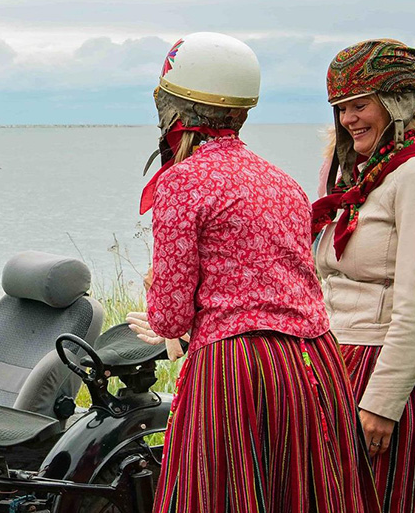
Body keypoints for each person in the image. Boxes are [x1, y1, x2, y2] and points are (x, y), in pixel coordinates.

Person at [126, 32, 380, 512]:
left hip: (236, 368)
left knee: (224, 495)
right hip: (314, 366)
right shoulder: (280, 179)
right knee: (299, 494)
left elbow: (172, 317)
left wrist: (161, 308)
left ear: (176, 109)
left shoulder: (182, 181)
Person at [312, 39, 415, 513]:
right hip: (336, 363)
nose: (349, 118)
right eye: (341, 108)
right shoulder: (359, 177)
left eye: (360, 104)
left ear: (398, 103)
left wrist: (383, 402)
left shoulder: (410, 175)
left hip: (378, 370)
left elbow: (412, 304)